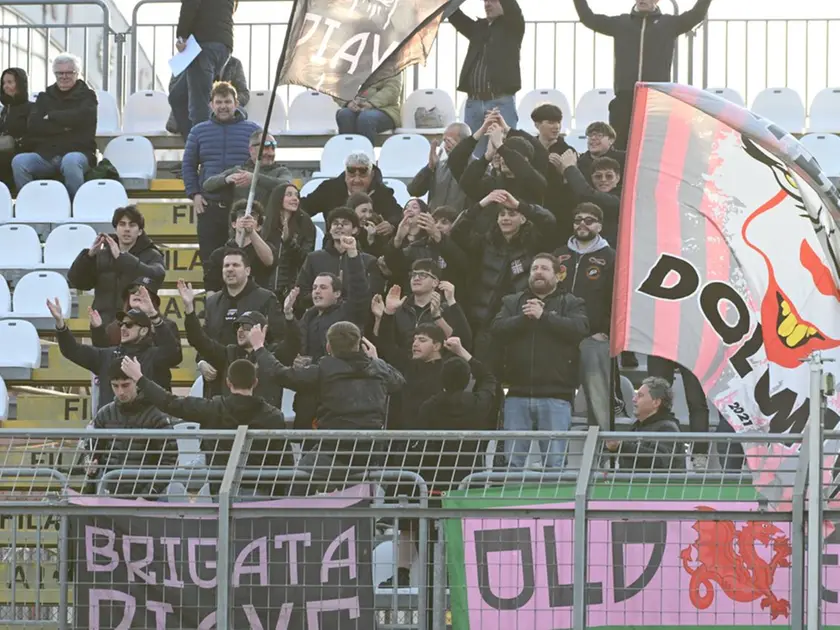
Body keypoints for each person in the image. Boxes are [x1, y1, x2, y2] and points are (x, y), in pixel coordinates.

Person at [250, 321, 405, 484]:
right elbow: (398, 381)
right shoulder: (378, 368)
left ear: (328, 347)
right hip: (371, 452)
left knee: (297, 483)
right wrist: (376, 359)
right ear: (360, 344)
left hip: (334, 451)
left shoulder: (323, 369)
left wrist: (259, 348)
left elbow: (279, 374)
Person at [121, 356, 288, 496]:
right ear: (255, 382)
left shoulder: (212, 408)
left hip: (221, 491)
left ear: (229, 383)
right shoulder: (274, 416)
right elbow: (284, 462)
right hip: (262, 493)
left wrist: (140, 379)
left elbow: (170, 403)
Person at [573, 0, 713, 149]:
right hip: (625, 97)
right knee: (620, 147)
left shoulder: (669, 24)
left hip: (655, 98)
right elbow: (588, 18)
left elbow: (696, 15)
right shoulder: (621, 23)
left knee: (653, 148)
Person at [492, 253, 589, 469]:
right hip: (516, 393)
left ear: (558, 275)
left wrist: (544, 316)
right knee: (512, 463)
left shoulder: (572, 302)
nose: (537, 272)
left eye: (544, 268)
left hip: (557, 394)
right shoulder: (512, 301)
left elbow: (579, 329)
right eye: (534, 268)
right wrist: (524, 318)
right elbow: (497, 330)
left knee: (554, 464)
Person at [451, 190, 556, 361]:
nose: (505, 218)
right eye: (501, 214)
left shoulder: (533, 242)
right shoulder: (486, 242)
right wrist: (482, 204)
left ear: (523, 219)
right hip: (486, 322)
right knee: (486, 374)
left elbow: (549, 221)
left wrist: (519, 205)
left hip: (521, 319)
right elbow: (457, 232)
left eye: (512, 214)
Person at [47, 293, 182, 411]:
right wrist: (60, 324)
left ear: (144, 330)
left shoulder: (155, 356)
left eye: (129, 325)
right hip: (111, 431)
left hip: (147, 431)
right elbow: (72, 350)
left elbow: (172, 352)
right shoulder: (107, 355)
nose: (123, 328)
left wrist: (154, 315)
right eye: (121, 324)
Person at [179, 279, 298, 407]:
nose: (240, 330)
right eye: (238, 327)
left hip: (263, 419)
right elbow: (199, 340)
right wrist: (190, 310)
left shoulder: (273, 354)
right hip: (231, 419)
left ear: (262, 330)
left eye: (246, 326)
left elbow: (293, 343)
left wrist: (289, 315)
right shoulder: (228, 353)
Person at [183, 81, 260, 268]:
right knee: (211, 261)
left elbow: (262, 163)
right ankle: (213, 297)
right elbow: (188, 165)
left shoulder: (253, 130)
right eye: (218, 102)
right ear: (211, 104)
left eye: (227, 101)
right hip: (210, 205)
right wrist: (194, 194)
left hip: (242, 207)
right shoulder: (198, 131)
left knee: (242, 260)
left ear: (236, 103)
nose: (223, 106)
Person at [554, 203, 617, 431]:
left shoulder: (611, 257)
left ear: (599, 225)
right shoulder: (558, 255)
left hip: (593, 336)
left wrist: (608, 331)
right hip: (559, 334)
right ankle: (554, 458)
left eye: (589, 220)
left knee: (598, 399)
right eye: (578, 219)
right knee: (557, 397)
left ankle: (601, 457)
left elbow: (618, 298)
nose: (582, 224)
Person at [68, 205, 166, 342]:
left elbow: (157, 275)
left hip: (136, 328)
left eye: (132, 225)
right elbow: (78, 282)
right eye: (122, 224)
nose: (126, 229)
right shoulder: (102, 254)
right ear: (116, 228)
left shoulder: (152, 255)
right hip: (102, 325)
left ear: (140, 231)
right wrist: (89, 256)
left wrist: (122, 259)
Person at [86, 361, 177, 498]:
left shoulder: (157, 416)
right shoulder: (104, 414)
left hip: (145, 496)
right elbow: (92, 452)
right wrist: (90, 464)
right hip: (109, 492)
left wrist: (147, 496)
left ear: (137, 382)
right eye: (115, 386)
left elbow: (169, 461)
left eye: (125, 385)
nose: (120, 392)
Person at [12, 53, 96, 199]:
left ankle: (75, 206)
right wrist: (66, 126)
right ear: (55, 74)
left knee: (71, 161)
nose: (64, 76)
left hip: (79, 151)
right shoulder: (45, 96)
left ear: (77, 73)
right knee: (19, 162)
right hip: (46, 154)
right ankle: (31, 204)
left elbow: (83, 118)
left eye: (69, 72)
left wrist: (52, 116)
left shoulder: (88, 96)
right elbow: (34, 125)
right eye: (59, 73)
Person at [449, 0, 525, 156]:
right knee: (473, 156)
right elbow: (453, 13)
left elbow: (513, 8)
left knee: (504, 152)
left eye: (492, 0)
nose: (487, 4)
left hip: (500, 103)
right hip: (474, 103)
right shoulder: (478, 28)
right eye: (485, 0)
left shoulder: (513, 26)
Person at [200, 247, 283, 381]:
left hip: (254, 379)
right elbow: (205, 338)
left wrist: (261, 363)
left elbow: (279, 338)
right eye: (226, 265)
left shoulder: (266, 298)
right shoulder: (212, 302)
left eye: (236, 265)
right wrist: (202, 362)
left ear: (247, 271)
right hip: (218, 379)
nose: (230, 269)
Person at [375, 261, 472, 359]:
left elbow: (462, 343)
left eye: (423, 275)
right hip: (404, 366)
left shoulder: (446, 308)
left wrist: (438, 316)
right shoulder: (401, 307)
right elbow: (385, 344)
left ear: (435, 282)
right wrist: (387, 313)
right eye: (413, 275)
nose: (416, 278)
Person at [452, 117, 547, 216]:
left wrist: (501, 145)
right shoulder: (493, 183)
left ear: (525, 159)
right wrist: (487, 156)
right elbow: (466, 183)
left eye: (507, 154)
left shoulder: (535, 182)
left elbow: (539, 155)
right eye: (501, 155)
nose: (503, 158)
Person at [296, 207, 382, 311]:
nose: (339, 226)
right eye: (335, 223)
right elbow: (302, 292)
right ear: (330, 229)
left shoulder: (368, 261)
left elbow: (371, 295)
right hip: (320, 318)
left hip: (354, 319)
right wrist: (327, 297)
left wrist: (341, 295)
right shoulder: (313, 258)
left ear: (355, 230)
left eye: (345, 223)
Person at [171, 0, 236, 138]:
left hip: (203, 44)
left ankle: (204, 148)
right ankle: (194, 141)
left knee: (199, 106)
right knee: (177, 96)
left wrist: (182, 36)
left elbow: (190, 4)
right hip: (223, 44)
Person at [605, 376, 686, 471]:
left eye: (640, 395)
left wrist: (622, 446)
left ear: (656, 402)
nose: (634, 399)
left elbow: (659, 460)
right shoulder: (637, 426)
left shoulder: (668, 429)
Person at [301, 152, 402, 227]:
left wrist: (391, 225)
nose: (357, 180)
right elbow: (305, 208)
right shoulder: (329, 189)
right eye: (352, 174)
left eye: (363, 175)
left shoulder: (382, 193)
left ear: (372, 175)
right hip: (334, 249)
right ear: (345, 174)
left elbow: (398, 215)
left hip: (371, 251)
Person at [383, 203, 469, 290]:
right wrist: (398, 239)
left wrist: (438, 237)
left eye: (444, 222)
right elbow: (395, 266)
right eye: (435, 221)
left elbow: (462, 264)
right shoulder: (418, 246)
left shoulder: (461, 247)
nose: (438, 226)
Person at [646, 356, 710, 470]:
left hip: (691, 343)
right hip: (662, 342)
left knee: (696, 401)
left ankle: (699, 454)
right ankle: (653, 449)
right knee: (656, 398)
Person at [201, 129, 292, 209]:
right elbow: (207, 185)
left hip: (269, 225)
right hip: (241, 225)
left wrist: (255, 178)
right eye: (266, 148)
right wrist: (226, 179)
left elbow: (285, 186)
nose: (270, 153)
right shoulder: (240, 171)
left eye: (273, 148)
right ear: (251, 150)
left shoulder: (281, 171)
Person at [167, 54, 250, 136]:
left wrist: (226, 101)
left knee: (239, 113)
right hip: (192, 110)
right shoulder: (184, 59)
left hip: (221, 115)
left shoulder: (234, 63)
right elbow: (174, 90)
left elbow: (244, 93)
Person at [204, 200, 277, 292]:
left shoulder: (266, 248)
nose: (246, 220)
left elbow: (269, 261)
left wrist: (251, 232)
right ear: (234, 224)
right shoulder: (219, 254)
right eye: (241, 216)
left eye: (252, 218)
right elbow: (211, 287)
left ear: (259, 226)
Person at [90, 276, 179, 350]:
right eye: (133, 290)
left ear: (153, 299)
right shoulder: (117, 324)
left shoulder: (168, 325)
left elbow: (174, 357)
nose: (136, 293)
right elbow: (103, 351)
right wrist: (97, 329)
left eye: (144, 291)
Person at [554, 152, 621, 247]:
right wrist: (566, 177)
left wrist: (570, 168)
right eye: (598, 176)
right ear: (592, 179)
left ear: (617, 178)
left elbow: (587, 194)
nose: (603, 179)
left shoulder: (621, 199)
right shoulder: (585, 198)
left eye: (609, 176)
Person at [264, 183, 316, 299]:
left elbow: (305, 259)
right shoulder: (266, 224)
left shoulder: (305, 223)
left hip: (293, 291)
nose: (295, 199)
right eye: (289, 194)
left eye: (297, 195)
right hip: (266, 290)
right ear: (278, 198)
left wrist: (288, 242)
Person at [407, 122, 472, 211]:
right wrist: (429, 168)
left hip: (461, 222)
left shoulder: (479, 167)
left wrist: (458, 157)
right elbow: (414, 190)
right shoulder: (440, 166)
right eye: (445, 141)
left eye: (450, 141)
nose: (447, 145)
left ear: (465, 142)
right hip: (435, 222)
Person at [335, 75, 403, 143]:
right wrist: (348, 102)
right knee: (344, 114)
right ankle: (348, 151)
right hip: (356, 107)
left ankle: (365, 152)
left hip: (385, 109)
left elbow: (392, 89)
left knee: (366, 118)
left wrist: (371, 103)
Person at [0, 68, 30, 193]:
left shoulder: (31, 108)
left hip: (20, 151)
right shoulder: (4, 110)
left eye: (10, 82)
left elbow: (32, 135)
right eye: (3, 83)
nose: (6, 86)